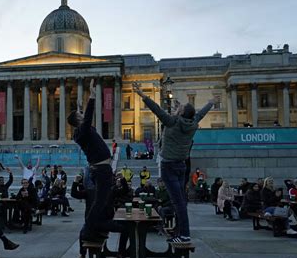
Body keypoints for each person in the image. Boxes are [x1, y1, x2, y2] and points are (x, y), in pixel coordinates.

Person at [133, 81, 216, 244]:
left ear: (181, 113)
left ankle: (184, 235)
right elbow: (201, 113)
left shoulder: (172, 122)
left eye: (180, 107)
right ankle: (179, 231)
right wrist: (210, 103)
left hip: (169, 166)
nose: (177, 108)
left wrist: (142, 95)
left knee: (178, 203)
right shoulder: (193, 123)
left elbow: (156, 109)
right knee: (179, 201)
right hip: (181, 166)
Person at [67, 78, 123, 242]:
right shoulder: (81, 131)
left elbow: (85, 120)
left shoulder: (82, 131)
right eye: (80, 114)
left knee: (103, 201)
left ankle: (95, 228)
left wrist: (79, 107)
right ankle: (88, 230)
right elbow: (88, 116)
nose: (83, 114)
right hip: (101, 169)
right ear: (78, 120)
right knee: (100, 201)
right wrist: (92, 96)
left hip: (102, 169)